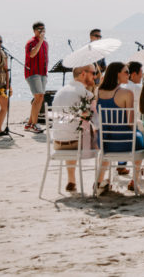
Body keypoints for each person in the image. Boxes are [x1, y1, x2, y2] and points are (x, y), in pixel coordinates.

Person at [96, 61, 144, 193]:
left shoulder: (98, 91)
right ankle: (135, 180)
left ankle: (99, 181)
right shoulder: (127, 93)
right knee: (141, 139)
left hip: (104, 141)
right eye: (126, 72)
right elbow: (130, 123)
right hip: (124, 142)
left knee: (107, 149)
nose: (128, 75)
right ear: (117, 74)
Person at [52, 64, 100, 193]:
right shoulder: (86, 94)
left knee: (73, 130)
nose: (95, 77)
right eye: (93, 73)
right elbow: (97, 121)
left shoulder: (60, 92)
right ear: (83, 74)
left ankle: (71, 180)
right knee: (103, 136)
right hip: (75, 145)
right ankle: (100, 181)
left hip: (57, 143)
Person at [24, 21, 49, 133]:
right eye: (39, 29)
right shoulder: (31, 42)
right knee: (38, 97)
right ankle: (34, 124)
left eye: (43, 29)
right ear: (34, 31)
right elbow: (32, 54)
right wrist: (40, 41)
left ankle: (29, 123)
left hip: (43, 73)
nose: (41, 31)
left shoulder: (46, 43)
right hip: (33, 73)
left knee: (40, 97)